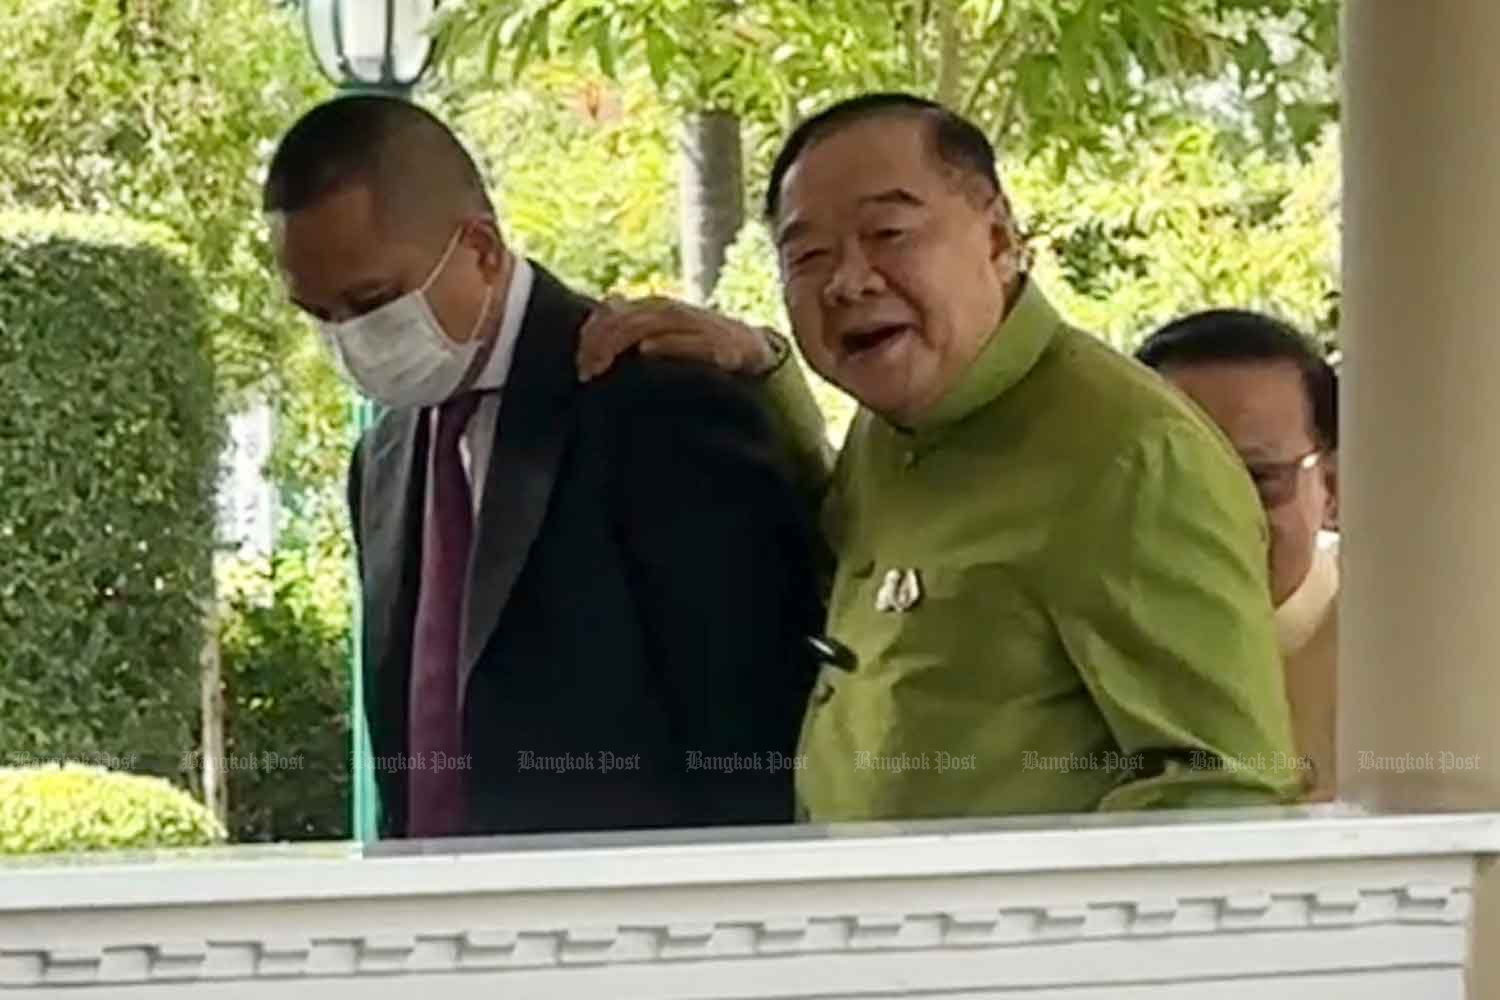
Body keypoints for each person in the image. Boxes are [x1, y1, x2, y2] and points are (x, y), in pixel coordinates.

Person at [577, 93, 1303, 819]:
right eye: (807, 256)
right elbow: (850, 554)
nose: (847, 281)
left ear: (996, 238)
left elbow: (1223, 787)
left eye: (888, 232)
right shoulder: (897, 426)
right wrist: (762, 376)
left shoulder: (1133, 458)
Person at [262, 96, 822, 838]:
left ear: (483, 250)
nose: (349, 339)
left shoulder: (662, 399)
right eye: (318, 314)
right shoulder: (384, 456)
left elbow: (750, 740)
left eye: (372, 301)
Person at [1137, 311, 1339, 801]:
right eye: (1177, 482)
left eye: (1258, 480)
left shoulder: (1410, 667)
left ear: (1332, 487)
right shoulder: (1067, 643)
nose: (1213, 518)